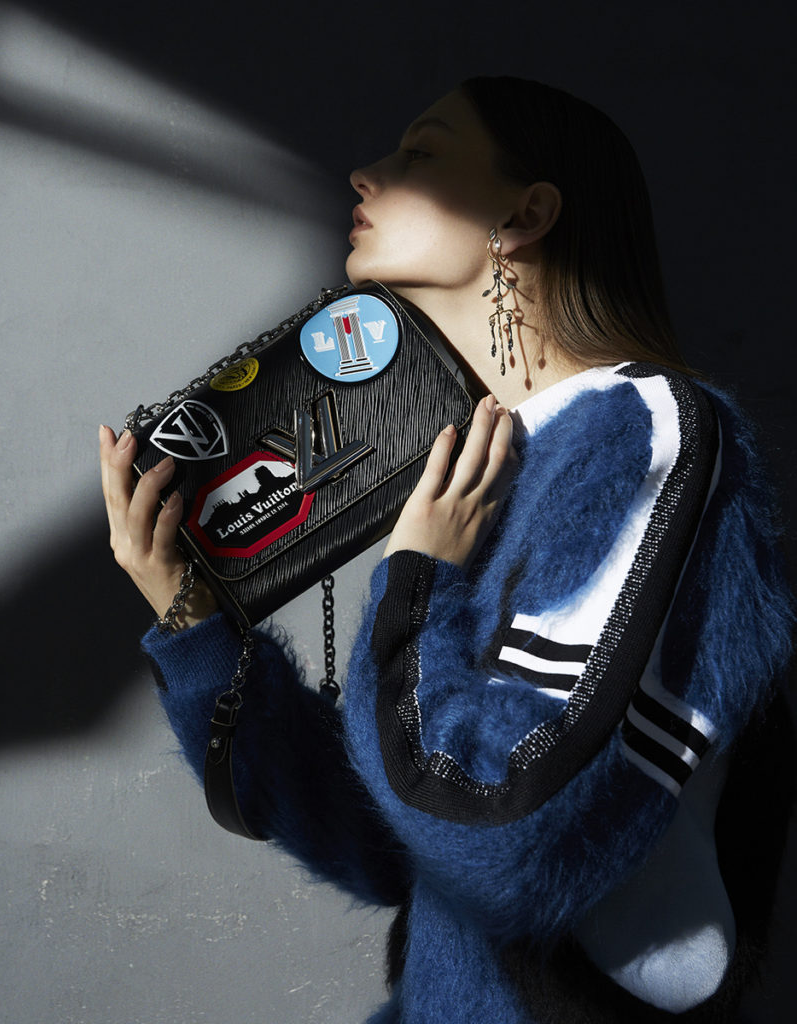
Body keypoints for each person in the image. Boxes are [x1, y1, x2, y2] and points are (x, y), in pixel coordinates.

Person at [99, 77, 794, 1023]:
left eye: (421, 153)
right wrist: (189, 615)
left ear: (525, 215)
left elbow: (500, 829)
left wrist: (417, 588)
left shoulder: (644, 436)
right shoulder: (489, 466)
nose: (366, 172)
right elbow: (389, 847)